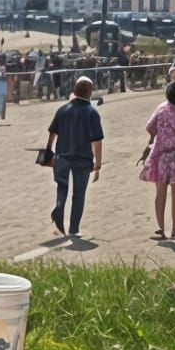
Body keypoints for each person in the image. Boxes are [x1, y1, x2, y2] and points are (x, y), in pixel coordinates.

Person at [138, 81, 175, 241]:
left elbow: (149, 127)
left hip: (160, 156)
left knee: (160, 193)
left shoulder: (162, 109)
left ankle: (161, 229)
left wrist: (159, 135)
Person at [44, 77, 104, 238]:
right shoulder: (92, 112)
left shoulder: (63, 109)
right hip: (83, 159)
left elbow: (52, 133)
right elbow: (97, 140)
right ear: (89, 92)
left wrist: (49, 151)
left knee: (62, 186)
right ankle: (74, 229)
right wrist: (98, 162)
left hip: (62, 156)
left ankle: (59, 205)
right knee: (79, 193)